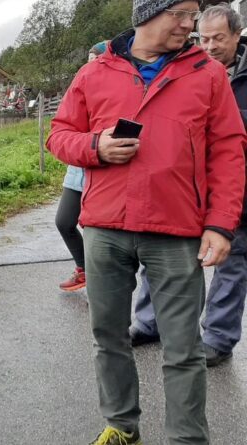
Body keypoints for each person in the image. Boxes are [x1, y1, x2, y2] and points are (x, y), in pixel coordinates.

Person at [46, 0, 246, 443]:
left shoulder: (208, 75)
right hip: (105, 228)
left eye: (192, 14)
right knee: (108, 336)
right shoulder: (95, 72)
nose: (190, 24)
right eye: (180, 13)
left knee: (183, 348)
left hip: (176, 231)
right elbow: (59, 135)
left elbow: (229, 151)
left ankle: (187, 438)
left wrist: (220, 223)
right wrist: (95, 147)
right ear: (147, 15)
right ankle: (121, 425)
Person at [130, 3, 247, 368]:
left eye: (219, 38)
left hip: (236, 188)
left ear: (238, 35)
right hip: (185, 187)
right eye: (205, 37)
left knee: (231, 262)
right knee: (162, 252)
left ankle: (217, 337)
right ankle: (150, 323)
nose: (210, 45)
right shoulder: (185, 67)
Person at [56, 41, 108, 292]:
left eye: (95, 58)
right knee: (64, 221)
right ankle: (84, 269)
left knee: (97, 231)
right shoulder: (82, 85)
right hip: (77, 169)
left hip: (103, 170)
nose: (90, 63)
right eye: (88, 58)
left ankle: (102, 279)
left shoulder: (114, 91)